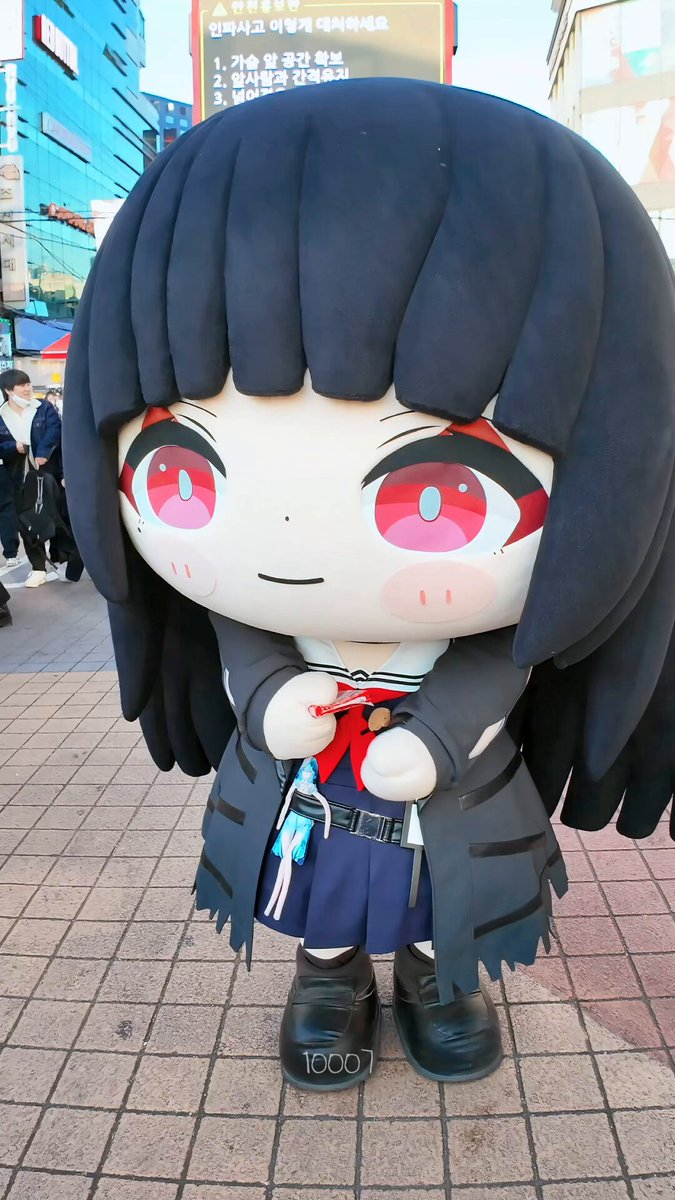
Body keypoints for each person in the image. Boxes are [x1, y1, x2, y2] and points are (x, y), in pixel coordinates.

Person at [63, 81, 675, 1092]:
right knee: (319, 893)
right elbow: (241, 633)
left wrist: (436, 737)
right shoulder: (249, 611)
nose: (290, 547)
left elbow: (500, 660)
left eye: (440, 494)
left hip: (447, 781)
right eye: (182, 471)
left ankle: (438, 978)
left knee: (438, 896)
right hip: (308, 780)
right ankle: (329, 974)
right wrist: (267, 693)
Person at [0, 369, 80, 586]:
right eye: (21, 385)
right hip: (18, 478)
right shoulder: (2, 415)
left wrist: (43, 452)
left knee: (56, 516)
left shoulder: (43, 408)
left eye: (28, 383)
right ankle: (38, 568)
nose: (27, 388)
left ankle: (63, 559)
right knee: (26, 522)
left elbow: (55, 431)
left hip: (47, 473)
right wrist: (13, 447)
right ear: (8, 390)